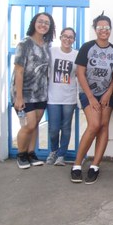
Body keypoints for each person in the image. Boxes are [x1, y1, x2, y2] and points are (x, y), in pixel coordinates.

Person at [70, 13, 113, 184]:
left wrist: (107, 93)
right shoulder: (87, 47)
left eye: (106, 28)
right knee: (94, 125)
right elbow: (80, 73)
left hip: (107, 94)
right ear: (95, 30)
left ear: (110, 30)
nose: (103, 30)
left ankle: (95, 165)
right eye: (100, 28)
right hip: (88, 94)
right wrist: (90, 97)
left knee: (104, 126)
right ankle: (77, 165)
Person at [11, 12, 56, 169]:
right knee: (28, 125)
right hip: (24, 93)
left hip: (41, 92)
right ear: (34, 23)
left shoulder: (46, 45)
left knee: (35, 124)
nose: (43, 25)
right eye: (40, 21)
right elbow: (19, 71)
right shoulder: (24, 44)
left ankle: (31, 153)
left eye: (47, 23)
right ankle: (21, 154)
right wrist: (19, 97)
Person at [46, 28, 78, 166]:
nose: (67, 39)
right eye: (65, 36)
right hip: (53, 97)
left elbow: (80, 75)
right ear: (60, 37)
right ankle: (53, 151)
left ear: (74, 40)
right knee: (53, 129)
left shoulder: (76, 55)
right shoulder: (52, 52)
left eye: (71, 37)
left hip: (69, 98)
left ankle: (61, 155)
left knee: (66, 128)